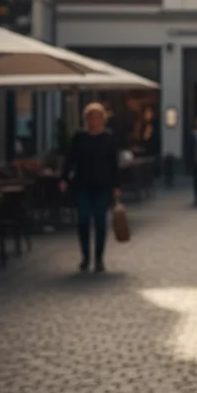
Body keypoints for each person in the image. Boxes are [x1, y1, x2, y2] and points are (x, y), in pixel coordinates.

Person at [59, 103, 121, 273]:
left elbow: (114, 163)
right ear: (86, 119)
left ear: (102, 119)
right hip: (83, 184)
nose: (93, 120)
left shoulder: (109, 138)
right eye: (90, 117)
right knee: (83, 220)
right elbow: (70, 159)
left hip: (103, 185)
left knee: (100, 221)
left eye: (97, 117)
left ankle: (99, 259)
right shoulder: (79, 137)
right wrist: (64, 178)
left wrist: (116, 185)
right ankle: (86, 256)